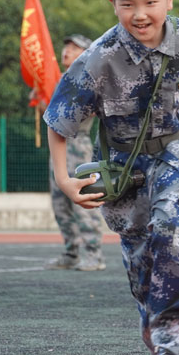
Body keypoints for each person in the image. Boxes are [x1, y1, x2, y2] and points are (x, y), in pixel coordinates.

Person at [43, 0, 179, 354]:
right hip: (126, 170)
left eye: (150, 2)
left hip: (178, 154)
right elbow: (57, 122)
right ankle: (159, 333)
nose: (140, 14)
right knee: (143, 268)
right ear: (112, 4)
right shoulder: (97, 60)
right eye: (127, 4)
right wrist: (63, 179)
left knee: (173, 236)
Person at [44, 34, 106, 271]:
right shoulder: (57, 80)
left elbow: (87, 111)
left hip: (77, 146)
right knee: (60, 203)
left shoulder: (89, 80)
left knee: (83, 199)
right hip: (58, 147)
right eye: (66, 46)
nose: (66, 51)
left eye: (74, 48)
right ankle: (71, 251)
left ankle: (94, 253)